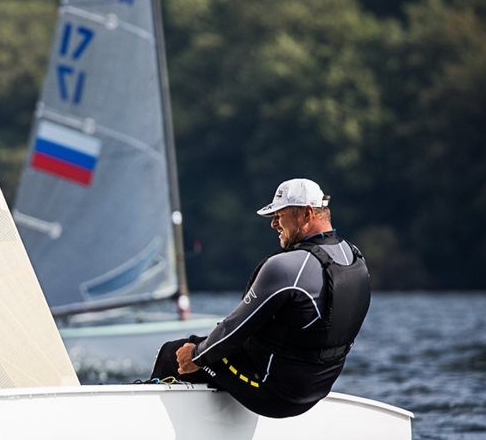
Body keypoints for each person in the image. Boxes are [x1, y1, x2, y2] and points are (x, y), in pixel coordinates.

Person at [149, 178, 371, 418]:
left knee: (175, 352)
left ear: (306, 214)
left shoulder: (287, 267)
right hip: (316, 389)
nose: (273, 224)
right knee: (213, 353)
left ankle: (151, 426)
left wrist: (195, 355)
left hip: (275, 394)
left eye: (280, 215)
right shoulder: (355, 258)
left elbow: (232, 331)